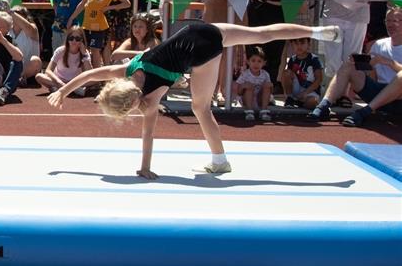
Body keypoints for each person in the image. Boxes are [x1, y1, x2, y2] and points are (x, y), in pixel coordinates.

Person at [49, 21, 342, 178]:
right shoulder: (127, 68)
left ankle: (220, 161)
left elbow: (148, 134)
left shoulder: (150, 100)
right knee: (261, 34)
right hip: (199, 30)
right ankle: (317, 31)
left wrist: (145, 167)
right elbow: (90, 76)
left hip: (201, 54)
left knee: (200, 107)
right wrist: (61, 90)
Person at [309, 6, 402, 126]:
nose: (390, 25)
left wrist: (390, 63)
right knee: (349, 65)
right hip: (379, 92)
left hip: (399, 99)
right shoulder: (378, 44)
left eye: (395, 21)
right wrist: (364, 64)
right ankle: (324, 106)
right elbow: (370, 75)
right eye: (388, 21)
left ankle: (364, 112)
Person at [68, 0, 130, 67]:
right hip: (86, 24)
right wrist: (72, 18)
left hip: (99, 26)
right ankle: (86, 74)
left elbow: (127, 3)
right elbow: (82, 3)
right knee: (83, 49)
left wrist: (109, 7)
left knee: (95, 50)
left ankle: (96, 76)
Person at [35, 25, 92, 95]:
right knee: (39, 76)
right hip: (59, 80)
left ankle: (59, 88)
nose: (74, 41)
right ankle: (71, 89)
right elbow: (48, 70)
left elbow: (90, 73)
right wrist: (58, 82)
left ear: (82, 40)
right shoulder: (60, 51)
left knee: (95, 80)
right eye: (71, 38)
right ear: (67, 39)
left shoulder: (84, 53)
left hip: (75, 81)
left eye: (77, 39)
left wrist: (84, 54)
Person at [281, 36, 323, 109]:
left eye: (302, 43)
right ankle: (290, 98)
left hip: (310, 90)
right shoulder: (292, 59)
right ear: (292, 45)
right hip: (297, 88)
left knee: (312, 103)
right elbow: (287, 77)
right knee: (286, 73)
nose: (299, 46)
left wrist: (305, 92)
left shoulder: (314, 59)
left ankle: (300, 102)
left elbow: (319, 79)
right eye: (296, 43)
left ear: (309, 44)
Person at [235, 46, 274, 122]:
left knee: (267, 85)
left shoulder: (265, 74)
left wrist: (269, 86)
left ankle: (264, 111)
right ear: (248, 62)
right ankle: (249, 112)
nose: (256, 64)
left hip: (260, 100)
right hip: (247, 101)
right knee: (249, 87)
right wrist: (244, 86)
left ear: (264, 63)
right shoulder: (245, 74)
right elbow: (238, 91)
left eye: (259, 61)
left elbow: (270, 91)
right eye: (253, 61)